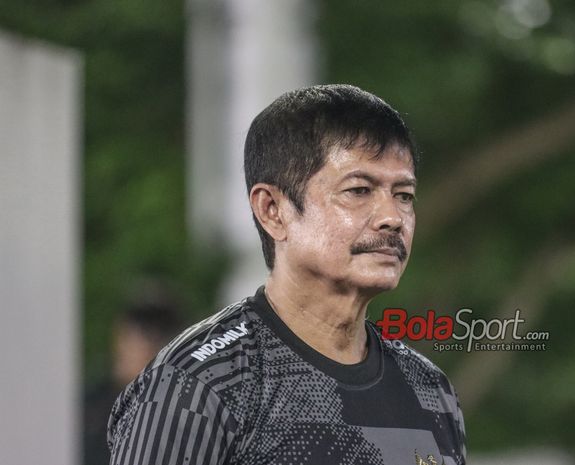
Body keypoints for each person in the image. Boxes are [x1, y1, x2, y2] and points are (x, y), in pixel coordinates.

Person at [107, 84, 467, 465]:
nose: (392, 217)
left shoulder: (429, 390)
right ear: (273, 210)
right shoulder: (198, 385)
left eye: (404, 195)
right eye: (359, 190)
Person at [84, 285, 183, 465]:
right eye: (142, 331)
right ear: (120, 333)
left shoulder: (179, 410)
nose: (150, 345)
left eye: (161, 334)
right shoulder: (88, 405)